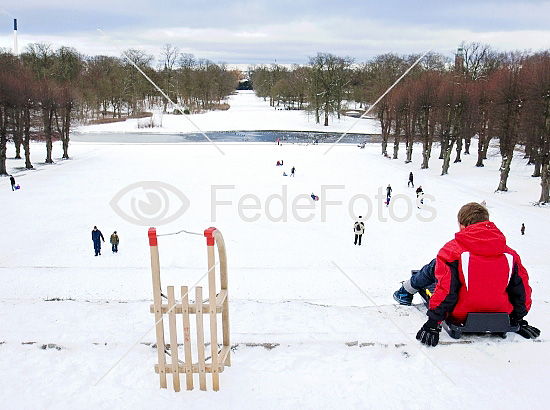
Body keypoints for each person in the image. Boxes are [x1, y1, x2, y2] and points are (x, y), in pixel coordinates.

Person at [393, 202, 540, 346]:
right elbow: (522, 290)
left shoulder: (452, 251)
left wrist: (433, 323)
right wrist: (517, 319)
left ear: (461, 225)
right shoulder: (510, 254)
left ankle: (405, 291)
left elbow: (447, 290)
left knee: (436, 265)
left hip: (460, 315)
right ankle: (407, 289)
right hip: (500, 314)